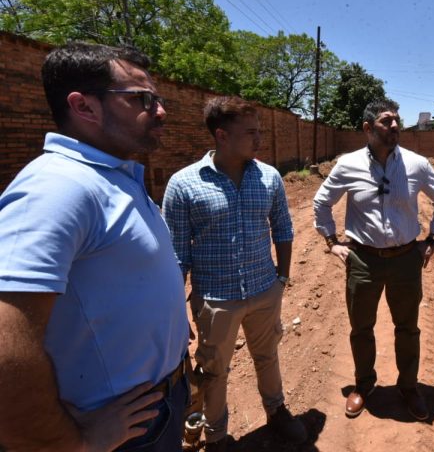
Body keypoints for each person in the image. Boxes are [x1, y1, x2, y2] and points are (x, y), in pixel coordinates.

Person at [0, 42, 189, 451]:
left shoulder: (113, 175)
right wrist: (70, 444)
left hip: (157, 405)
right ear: (84, 107)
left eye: (157, 98)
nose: (160, 111)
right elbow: (5, 340)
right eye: (142, 98)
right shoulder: (58, 188)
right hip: (122, 432)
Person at [162, 96, 306, 451]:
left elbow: (283, 230)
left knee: (268, 356)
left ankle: (276, 411)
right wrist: (174, 312)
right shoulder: (184, 185)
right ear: (222, 135)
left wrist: (281, 280)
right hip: (215, 300)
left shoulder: (269, 177)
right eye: (251, 133)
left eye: (260, 131)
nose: (260, 139)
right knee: (214, 371)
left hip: (263, 290)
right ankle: (217, 435)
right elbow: (177, 255)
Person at [313, 98, 434, 421]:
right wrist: (332, 242)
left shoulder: (416, 164)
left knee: (408, 327)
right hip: (363, 260)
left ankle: (408, 387)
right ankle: (363, 385)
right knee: (361, 327)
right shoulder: (348, 165)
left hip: (406, 259)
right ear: (367, 128)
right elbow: (321, 202)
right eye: (386, 121)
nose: (394, 126)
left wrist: (432, 238)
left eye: (396, 120)